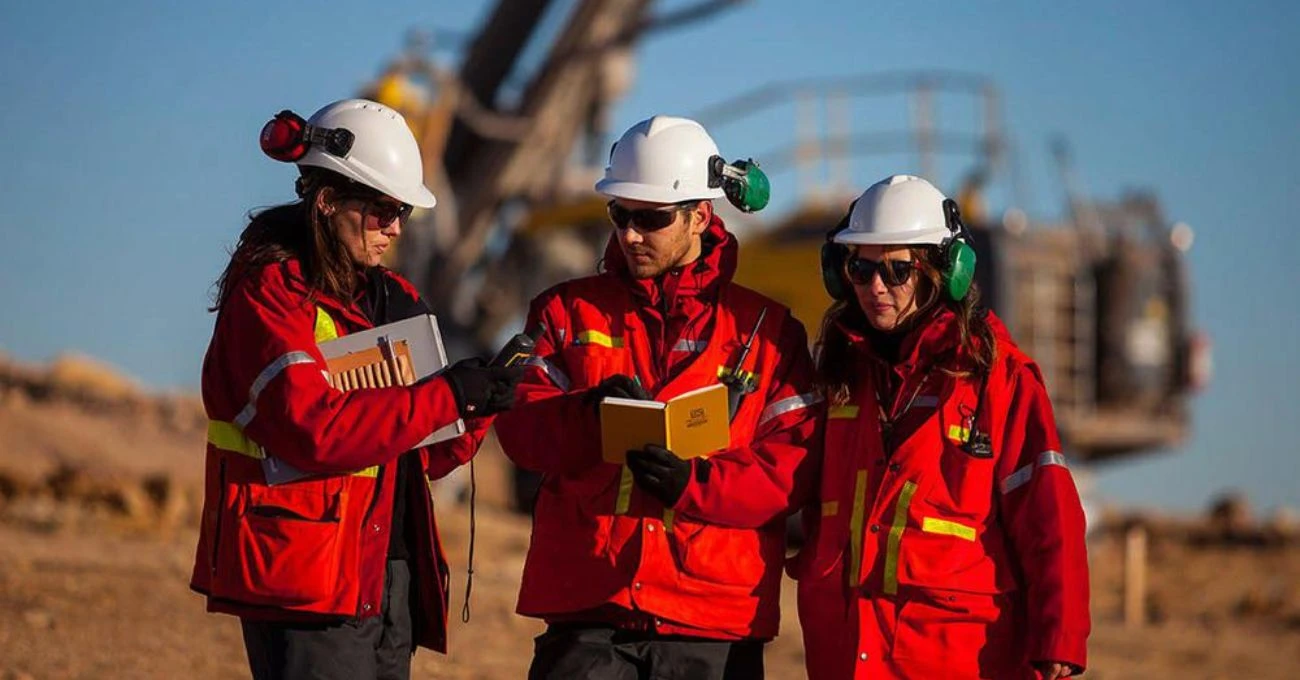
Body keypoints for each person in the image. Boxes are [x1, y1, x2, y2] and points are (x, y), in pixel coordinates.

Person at [189, 98, 524, 680]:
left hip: (385, 573)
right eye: (383, 209)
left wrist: (481, 404)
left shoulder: (393, 299)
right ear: (327, 201)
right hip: (304, 575)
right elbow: (311, 428)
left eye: (404, 213)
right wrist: (446, 396)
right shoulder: (269, 295)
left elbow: (431, 456)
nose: (395, 227)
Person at [493, 115, 821, 679]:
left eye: (651, 218)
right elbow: (520, 428)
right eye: (620, 214)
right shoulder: (564, 312)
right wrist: (587, 415)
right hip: (590, 611)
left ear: (700, 215)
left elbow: (792, 466)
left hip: (712, 623)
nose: (630, 235)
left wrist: (693, 485)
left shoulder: (769, 333)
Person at [790, 175, 1090, 679]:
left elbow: (1048, 515)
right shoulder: (837, 374)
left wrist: (1059, 635)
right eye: (860, 269)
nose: (875, 287)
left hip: (957, 657)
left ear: (942, 272)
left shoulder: (998, 379)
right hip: (845, 654)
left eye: (896, 270)